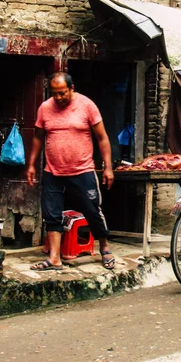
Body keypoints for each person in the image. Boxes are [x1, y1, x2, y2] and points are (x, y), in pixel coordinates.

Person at [26, 72, 116, 271]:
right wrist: (31, 164)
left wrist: (108, 167)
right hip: (53, 171)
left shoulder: (87, 105)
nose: (58, 98)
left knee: (92, 210)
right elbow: (38, 137)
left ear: (71, 88)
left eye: (62, 93)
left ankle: (104, 247)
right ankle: (55, 258)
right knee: (52, 214)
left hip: (82, 170)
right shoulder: (45, 108)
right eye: (54, 93)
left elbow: (102, 137)